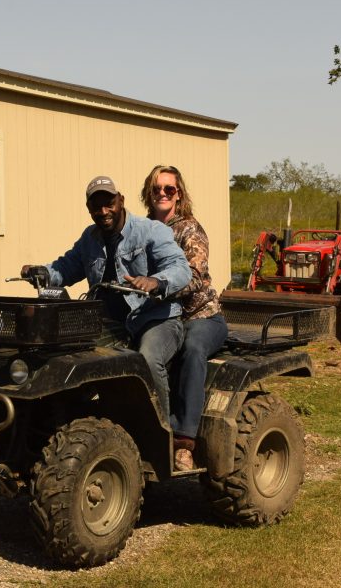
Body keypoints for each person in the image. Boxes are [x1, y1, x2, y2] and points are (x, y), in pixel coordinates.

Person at [21, 175, 192, 421]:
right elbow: (66, 267)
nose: (103, 211)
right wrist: (43, 273)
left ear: (121, 200)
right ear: (88, 209)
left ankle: (160, 432)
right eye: (96, 206)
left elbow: (180, 268)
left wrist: (156, 281)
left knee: (147, 359)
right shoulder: (89, 238)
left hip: (154, 319)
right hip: (109, 325)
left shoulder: (151, 230)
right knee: (63, 357)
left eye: (109, 203)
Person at [141, 165, 228, 471]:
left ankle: (184, 443)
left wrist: (159, 286)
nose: (162, 194)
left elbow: (194, 275)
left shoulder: (189, 229)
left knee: (191, 349)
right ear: (148, 194)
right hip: (162, 316)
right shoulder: (143, 229)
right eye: (157, 189)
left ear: (179, 195)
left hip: (201, 316)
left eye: (169, 189)